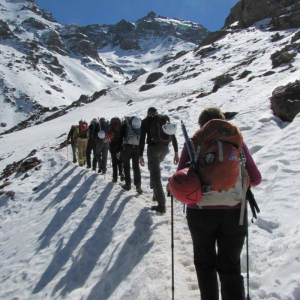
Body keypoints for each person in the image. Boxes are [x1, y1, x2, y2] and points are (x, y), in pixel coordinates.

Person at [176, 106, 262, 300]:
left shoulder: (193, 143)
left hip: (199, 212)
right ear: (223, 123)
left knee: (204, 263)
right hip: (235, 212)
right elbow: (255, 179)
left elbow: (180, 178)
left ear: (201, 126)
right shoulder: (237, 142)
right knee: (230, 265)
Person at [139, 107, 179, 213]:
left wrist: (140, 155)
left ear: (148, 113)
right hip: (165, 149)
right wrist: (176, 152)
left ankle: (161, 205)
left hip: (153, 149)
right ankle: (156, 194)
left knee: (155, 174)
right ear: (156, 112)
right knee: (153, 169)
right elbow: (172, 135)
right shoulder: (164, 118)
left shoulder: (146, 121)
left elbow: (142, 138)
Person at [117, 116, 143, 194]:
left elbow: (120, 137)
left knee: (126, 166)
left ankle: (128, 184)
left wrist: (118, 150)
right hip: (137, 148)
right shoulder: (140, 125)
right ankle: (138, 185)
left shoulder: (125, 125)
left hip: (127, 147)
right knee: (136, 166)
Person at [109, 117, 124, 183]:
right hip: (120, 144)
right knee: (120, 160)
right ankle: (121, 173)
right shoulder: (121, 125)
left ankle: (115, 178)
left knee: (114, 161)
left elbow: (108, 134)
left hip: (113, 144)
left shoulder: (111, 126)